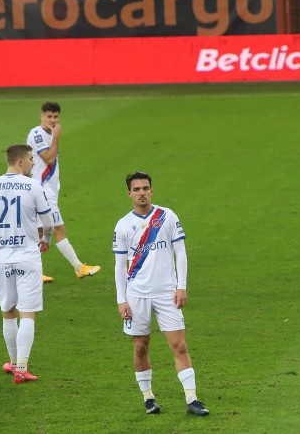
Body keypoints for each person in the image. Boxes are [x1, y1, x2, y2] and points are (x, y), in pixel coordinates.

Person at [112, 171, 209, 416]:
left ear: (151, 191)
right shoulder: (123, 225)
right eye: (137, 189)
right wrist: (121, 300)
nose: (142, 193)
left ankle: (192, 399)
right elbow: (119, 265)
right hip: (137, 296)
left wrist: (181, 285)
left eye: (145, 188)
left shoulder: (167, 217)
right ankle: (148, 398)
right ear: (129, 194)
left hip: (167, 294)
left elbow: (181, 252)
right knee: (140, 347)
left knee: (179, 345)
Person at [0, 144, 54, 383]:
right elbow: (49, 223)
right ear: (20, 162)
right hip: (28, 257)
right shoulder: (33, 185)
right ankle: (22, 368)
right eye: (31, 159)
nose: (33, 163)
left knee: (8, 312)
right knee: (28, 313)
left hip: (1, 259)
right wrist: (46, 239)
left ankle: (12, 363)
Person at [26, 101, 100, 281]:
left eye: (56, 116)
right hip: (42, 191)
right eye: (49, 116)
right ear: (41, 116)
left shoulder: (48, 133)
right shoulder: (37, 133)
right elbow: (49, 158)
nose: (52, 120)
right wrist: (56, 137)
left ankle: (32, 272)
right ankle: (78, 267)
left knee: (39, 232)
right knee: (58, 228)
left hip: (48, 190)